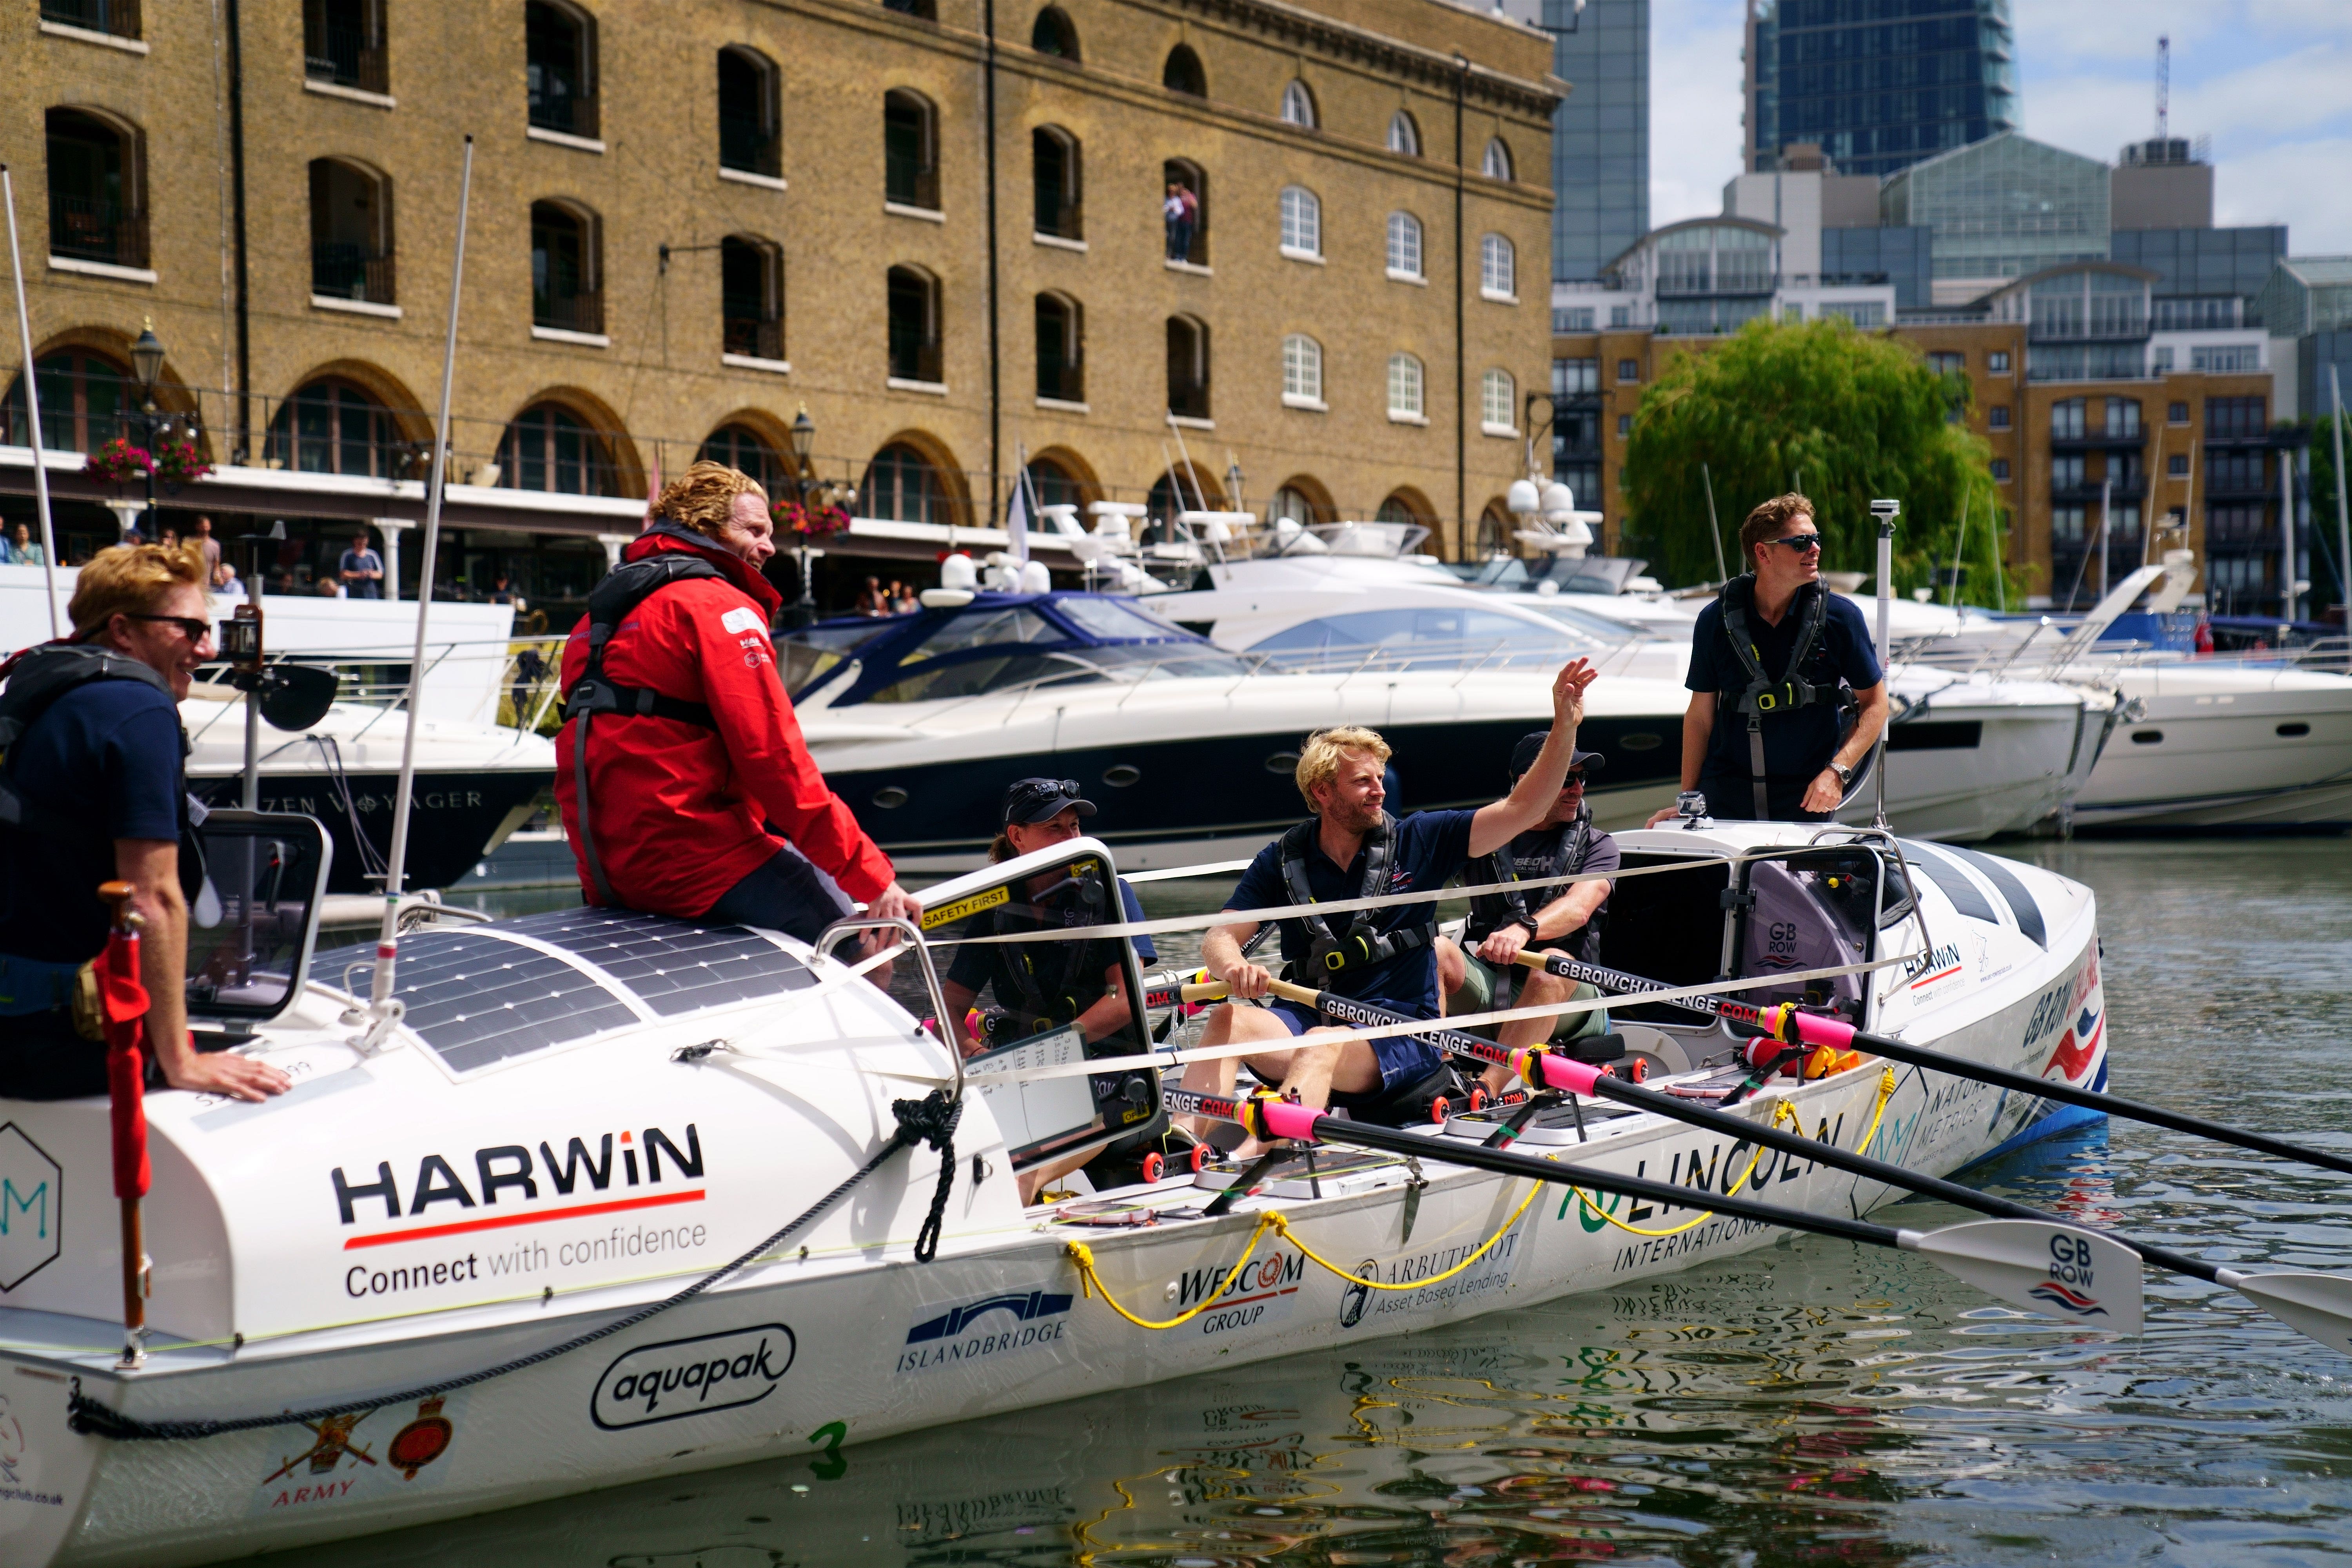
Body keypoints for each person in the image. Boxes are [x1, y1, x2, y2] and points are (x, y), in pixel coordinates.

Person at [1181, 659, 1597, 1147]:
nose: (1379, 789)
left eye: (1380, 777)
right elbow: (1219, 937)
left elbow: (1523, 808)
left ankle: (1263, 1162)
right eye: (1363, 781)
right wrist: (1233, 967)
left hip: (1401, 1033)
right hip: (1313, 1015)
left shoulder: (1423, 838)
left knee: (1322, 1044)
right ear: (1322, 791)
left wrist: (1564, 725)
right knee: (1228, 1018)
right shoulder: (1282, 859)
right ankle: (1184, 1145)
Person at [554, 460, 921, 958]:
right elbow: (776, 762)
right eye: (753, 530)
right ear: (704, 527)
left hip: (606, 873)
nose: (770, 546)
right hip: (695, 861)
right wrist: (874, 877)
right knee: (865, 945)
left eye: (770, 532)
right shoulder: (716, 608)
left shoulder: (593, 623)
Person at [0, 544, 290, 1102]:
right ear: (123, 631)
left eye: (209, 631)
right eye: (188, 629)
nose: (206, 649)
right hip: (66, 1041)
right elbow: (151, 895)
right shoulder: (140, 710)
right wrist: (178, 1059)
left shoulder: (42, 692)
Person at [940, 778, 1163, 1202]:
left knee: (1078, 1108)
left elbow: (1126, 998)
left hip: (1105, 1065)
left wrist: (1060, 1049)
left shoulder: (1109, 891)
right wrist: (971, 1050)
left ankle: (1020, 1186)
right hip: (1020, 1067)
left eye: (1075, 827)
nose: (1072, 838)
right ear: (1017, 838)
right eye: (1055, 828)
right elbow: (951, 1005)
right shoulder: (993, 907)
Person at [1648, 494, 1888, 826]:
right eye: (1802, 542)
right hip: (1725, 796)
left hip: (1806, 801)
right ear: (1764, 552)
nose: (1815, 548)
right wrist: (1689, 798)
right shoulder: (1715, 620)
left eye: (1816, 539)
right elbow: (1700, 716)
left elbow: (1876, 705)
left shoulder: (1841, 618)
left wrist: (1837, 772)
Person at [1436, 732, 1618, 1093]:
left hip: (1568, 993)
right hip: (1495, 982)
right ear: (1528, 783)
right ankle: (1439, 1076)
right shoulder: (1481, 836)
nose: (1578, 789)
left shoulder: (1600, 845)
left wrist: (1525, 929)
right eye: (1567, 779)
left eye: (1583, 779)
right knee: (1436, 950)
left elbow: (1580, 909)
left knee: (1548, 965)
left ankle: (1487, 1089)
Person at [338, 530, 385, 599]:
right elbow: (343, 574)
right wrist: (360, 575)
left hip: (371, 594)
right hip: (353, 593)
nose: (362, 546)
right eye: (360, 543)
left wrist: (369, 574)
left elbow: (380, 574)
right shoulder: (347, 555)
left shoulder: (372, 555)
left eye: (364, 544)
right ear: (355, 541)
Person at [193, 515, 221, 581]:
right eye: (203, 527)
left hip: (206, 584)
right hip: (192, 583)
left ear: (210, 527)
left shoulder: (215, 545)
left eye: (207, 527)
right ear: (197, 527)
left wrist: (218, 577)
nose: (205, 530)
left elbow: (216, 566)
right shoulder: (190, 544)